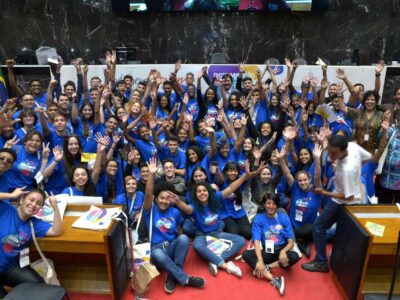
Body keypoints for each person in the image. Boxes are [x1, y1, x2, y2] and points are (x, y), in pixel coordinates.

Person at [302, 135, 372, 272]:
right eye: (330, 151)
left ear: (343, 150)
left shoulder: (347, 170)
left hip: (347, 202)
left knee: (321, 227)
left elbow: (348, 197)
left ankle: (322, 263)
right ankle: (325, 259)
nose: (331, 156)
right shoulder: (352, 146)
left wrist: (324, 193)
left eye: (334, 153)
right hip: (347, 196)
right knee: (324, 228)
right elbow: (368, 157)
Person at [143, 158, 205, 294]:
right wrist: (151, 175)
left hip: (171, 247)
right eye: (161, 198)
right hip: (157, 251)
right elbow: (148, 194)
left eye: (168, 198)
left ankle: (172, 275)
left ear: (172, 199)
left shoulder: (175, 211)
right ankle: (185, 279)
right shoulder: (151, 210)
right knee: (157, 253)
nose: (164, 201)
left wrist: (180, 244)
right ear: (156, 198)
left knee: (184, 238)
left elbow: (178, 230)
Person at [0, 189, 62, 297]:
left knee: (38, 285)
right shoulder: (6, 209)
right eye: (31, 200)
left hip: (9, 267)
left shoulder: (34, 223)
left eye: (38, 204)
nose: (33, 205)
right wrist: (11, 195)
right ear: (22, 200)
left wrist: (55, 207)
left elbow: (56, 231)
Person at [242, 193, 300, 295]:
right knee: (246, 254)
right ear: (264, 204)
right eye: (268, 203)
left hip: (281, 250)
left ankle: (268, 267)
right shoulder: (258, 218)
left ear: (277, 205)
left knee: (294, 256)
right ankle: (275, 279)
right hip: (267, 251)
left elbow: (291, 242)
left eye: (274, 204)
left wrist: (283, 251)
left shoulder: (284, 217)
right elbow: (256, 241)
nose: (271, 206)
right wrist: (260, 260)